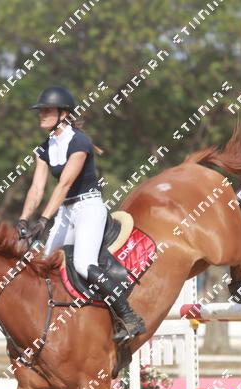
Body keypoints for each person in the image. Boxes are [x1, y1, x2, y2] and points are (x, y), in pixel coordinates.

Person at [17, 86, 145, 343]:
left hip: (89, 208)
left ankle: (129, 316)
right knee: (44, 265)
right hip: (66, 211)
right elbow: (37, 188)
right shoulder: (44, 148)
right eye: (41, 111)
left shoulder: (79, 142)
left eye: (47, 110)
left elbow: (64, 184)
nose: (41, 114)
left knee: (83, 264)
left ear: (63, 114)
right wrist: (23, 219)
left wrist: (43, 220)